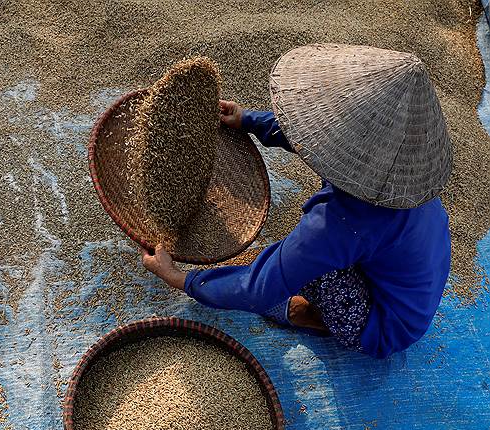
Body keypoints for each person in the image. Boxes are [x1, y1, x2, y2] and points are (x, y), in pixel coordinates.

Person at [140, 44, 452, 359]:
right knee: (314, 254)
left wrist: (181, 279)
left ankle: (311, 316)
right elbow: (321, 135)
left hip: (386, 325)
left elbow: (259, 287)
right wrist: (249, 120)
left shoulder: (341, 223)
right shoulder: (403, 176)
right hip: (410, 282)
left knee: (310, 267)